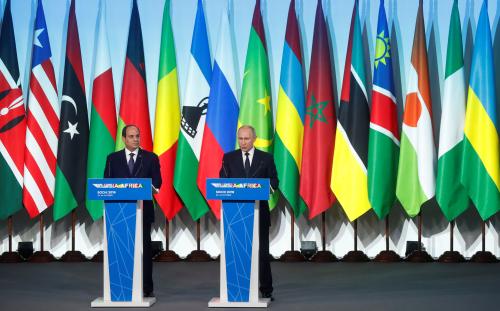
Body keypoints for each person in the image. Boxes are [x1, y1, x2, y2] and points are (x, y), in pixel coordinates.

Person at [219, 125, 278, 301]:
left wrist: (265, 188)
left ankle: (266, 289)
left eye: (246, 139)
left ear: (254, 139)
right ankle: (237, 286)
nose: (243, 142)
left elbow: (274, 181)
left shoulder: (265, 158)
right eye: (240, 139)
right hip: (235, 213)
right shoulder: (228, 158)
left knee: (261, 251)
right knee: (237, 249)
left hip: (259, 212)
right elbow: (222, 179)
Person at [104, 124, 161, 298]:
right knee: (121, 248)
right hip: (118, 213)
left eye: (137, 136)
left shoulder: (150, 158)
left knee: (143, 248)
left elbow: (157, 183)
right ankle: (121, 283)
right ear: (123, 139)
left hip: (142, 211)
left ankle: (146, 287)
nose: (135, 139)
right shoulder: (112, 159)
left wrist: (146, 187)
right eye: (131, 136)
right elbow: (106, 184)